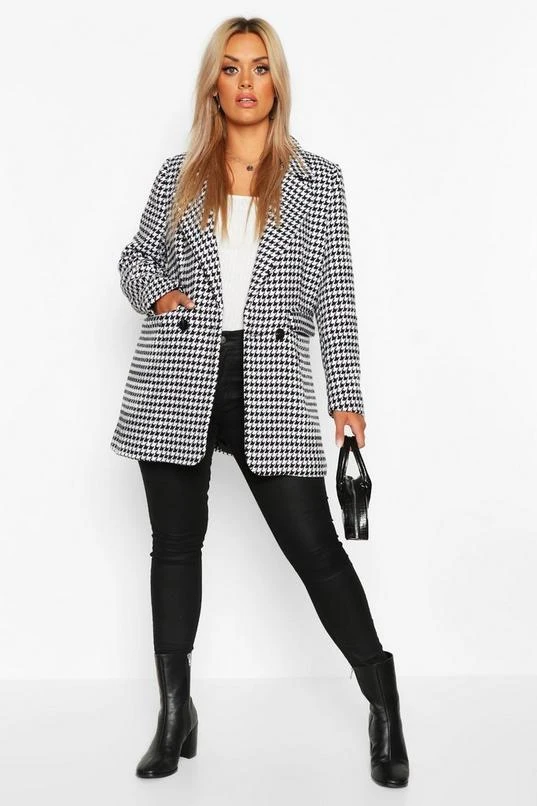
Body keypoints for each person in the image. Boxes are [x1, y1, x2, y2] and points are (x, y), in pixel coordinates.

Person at [110, 16, 409, 789]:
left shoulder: (319, 180)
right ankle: (174, 714)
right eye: (231, 68)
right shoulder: (179, 174)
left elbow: (336, 296)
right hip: (178, 376)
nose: (246, 82)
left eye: (260, 68)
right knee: (174, 546)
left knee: (315, 551)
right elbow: (135, 258)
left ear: (277, 82)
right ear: (213, 84)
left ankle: (383, 705)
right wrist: (159, 292)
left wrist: (345, 397)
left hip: (270, 383)